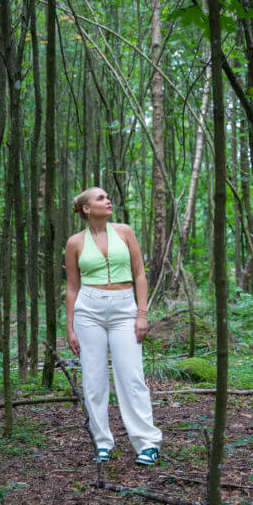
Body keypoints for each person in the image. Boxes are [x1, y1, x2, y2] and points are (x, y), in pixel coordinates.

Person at [64, 187, 162, 465]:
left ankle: (147, 443)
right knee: (93, 379)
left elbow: (140, 274)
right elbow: (72, 288)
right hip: (88, 310)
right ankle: (102, 442)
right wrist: (70, 327)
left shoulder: (125, 232)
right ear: (86, 208)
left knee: (131, 376)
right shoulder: (75, 243)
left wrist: (142, 314)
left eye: (108, 198)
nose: (108, 202)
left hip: (124, 308)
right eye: (101, 198)